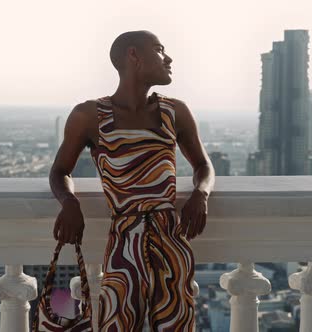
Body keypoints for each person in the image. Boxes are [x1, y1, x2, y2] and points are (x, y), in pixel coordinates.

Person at [48, 30, 215, 331]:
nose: (169, 58)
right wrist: (69, 202)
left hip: (172, 243)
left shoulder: (175, 112)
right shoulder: (89, 116)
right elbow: (60, 171)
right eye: (160, 50)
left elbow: (203, 165)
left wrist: (201, 195)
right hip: (124, 245)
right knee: (119, 324)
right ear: (134, 56)